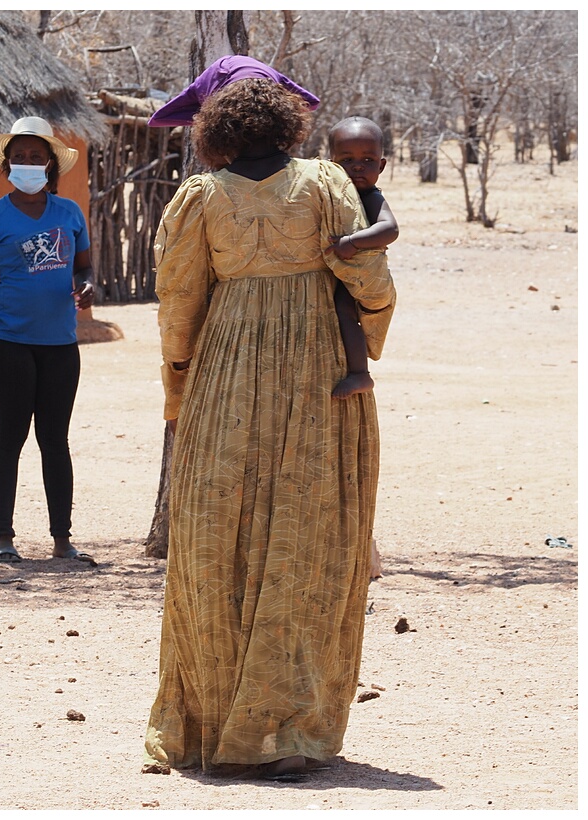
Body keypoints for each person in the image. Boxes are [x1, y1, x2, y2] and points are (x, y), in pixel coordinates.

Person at [142, 67, 396, 781]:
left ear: (214, 131)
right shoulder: (324, 183)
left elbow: (179, 300)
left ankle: (210, 726)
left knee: (218, 537)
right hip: (318, 373)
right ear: (289, 125)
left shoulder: (200, 196)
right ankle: (287, 730)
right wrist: (365, 340)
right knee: (306, 539)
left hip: (223, 373)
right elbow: (368, 277)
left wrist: (178, 386)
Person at [0, 116, 96, 565]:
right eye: (19, 157)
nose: (28, 163)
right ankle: (3, 538)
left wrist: (88, 286)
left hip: (61, 346)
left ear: (49, 165)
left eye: (36, 157)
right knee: (9, 438)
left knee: (55, 440)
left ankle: (62, 540)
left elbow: (85, 268)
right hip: (8, 343)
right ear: (7, 165)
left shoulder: (69, 213)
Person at [327, 116, 399, 399]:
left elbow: (390, 229)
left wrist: (353, 242)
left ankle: (360, 374)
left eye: (368, 160)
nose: (357, 166)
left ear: (381, 165)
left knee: (345, 311)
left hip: (361, 276)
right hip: (341, 271)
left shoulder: (370, 196)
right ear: (330, 163)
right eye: (347, 160)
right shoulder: (331, 193)